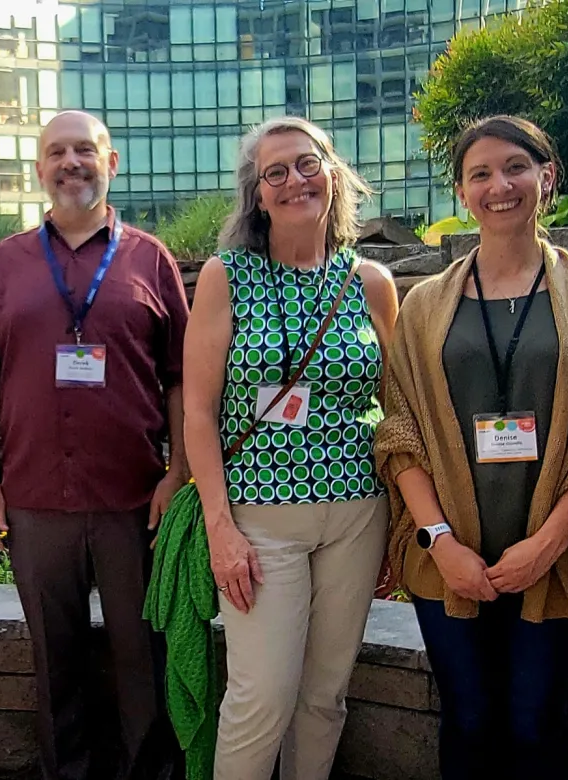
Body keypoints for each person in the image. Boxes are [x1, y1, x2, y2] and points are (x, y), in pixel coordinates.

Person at [376, 115, 568, 780]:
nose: (500, 186)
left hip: (555, 556)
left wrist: (546, 546)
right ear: (462, 192)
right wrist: (439, 541)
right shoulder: (424, 306)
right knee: (468, 720)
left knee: (532, 722)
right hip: (447, 558)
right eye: (480, 174)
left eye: (516, 167)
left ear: (547, 176)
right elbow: (400, 432)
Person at [0, 110, 189, 780]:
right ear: (40, 169)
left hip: (132, 500)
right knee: (54, 663)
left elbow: (181, 377)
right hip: (34, 499)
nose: (71, 163)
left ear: (110, 163)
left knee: (142, 660)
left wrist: (177, 472)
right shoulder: (6, 263)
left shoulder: (150, 259)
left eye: (84, 150)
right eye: (57, 152)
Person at [184, 116, 399, 780]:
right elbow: (198, 412)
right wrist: (220, 528)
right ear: (257, 195)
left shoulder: (370, 282)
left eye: (308, 164)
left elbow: (398, 408)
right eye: (274, 172)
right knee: (261, 698)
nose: (294, 181)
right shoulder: (226, 276)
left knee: (324, 696)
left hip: (357, 513)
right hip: (258, 521)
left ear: (333, 175)